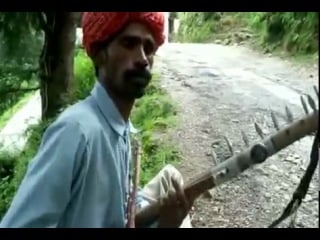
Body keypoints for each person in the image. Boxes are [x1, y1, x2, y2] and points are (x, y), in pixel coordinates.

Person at [0, 12, 196, 228]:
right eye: (129, 43)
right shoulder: (77, 132)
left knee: (170, 182)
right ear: (100, 54)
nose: (142, 59)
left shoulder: (119, 130)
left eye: (148, 48)